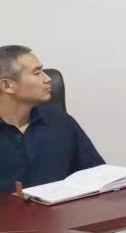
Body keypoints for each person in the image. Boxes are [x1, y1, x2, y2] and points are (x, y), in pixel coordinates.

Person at [0, 45, 104, 193]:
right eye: (37, 73)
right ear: (7, 86)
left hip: (64, 207)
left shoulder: (60, 121)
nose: (48, 79)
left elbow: (96, 173)